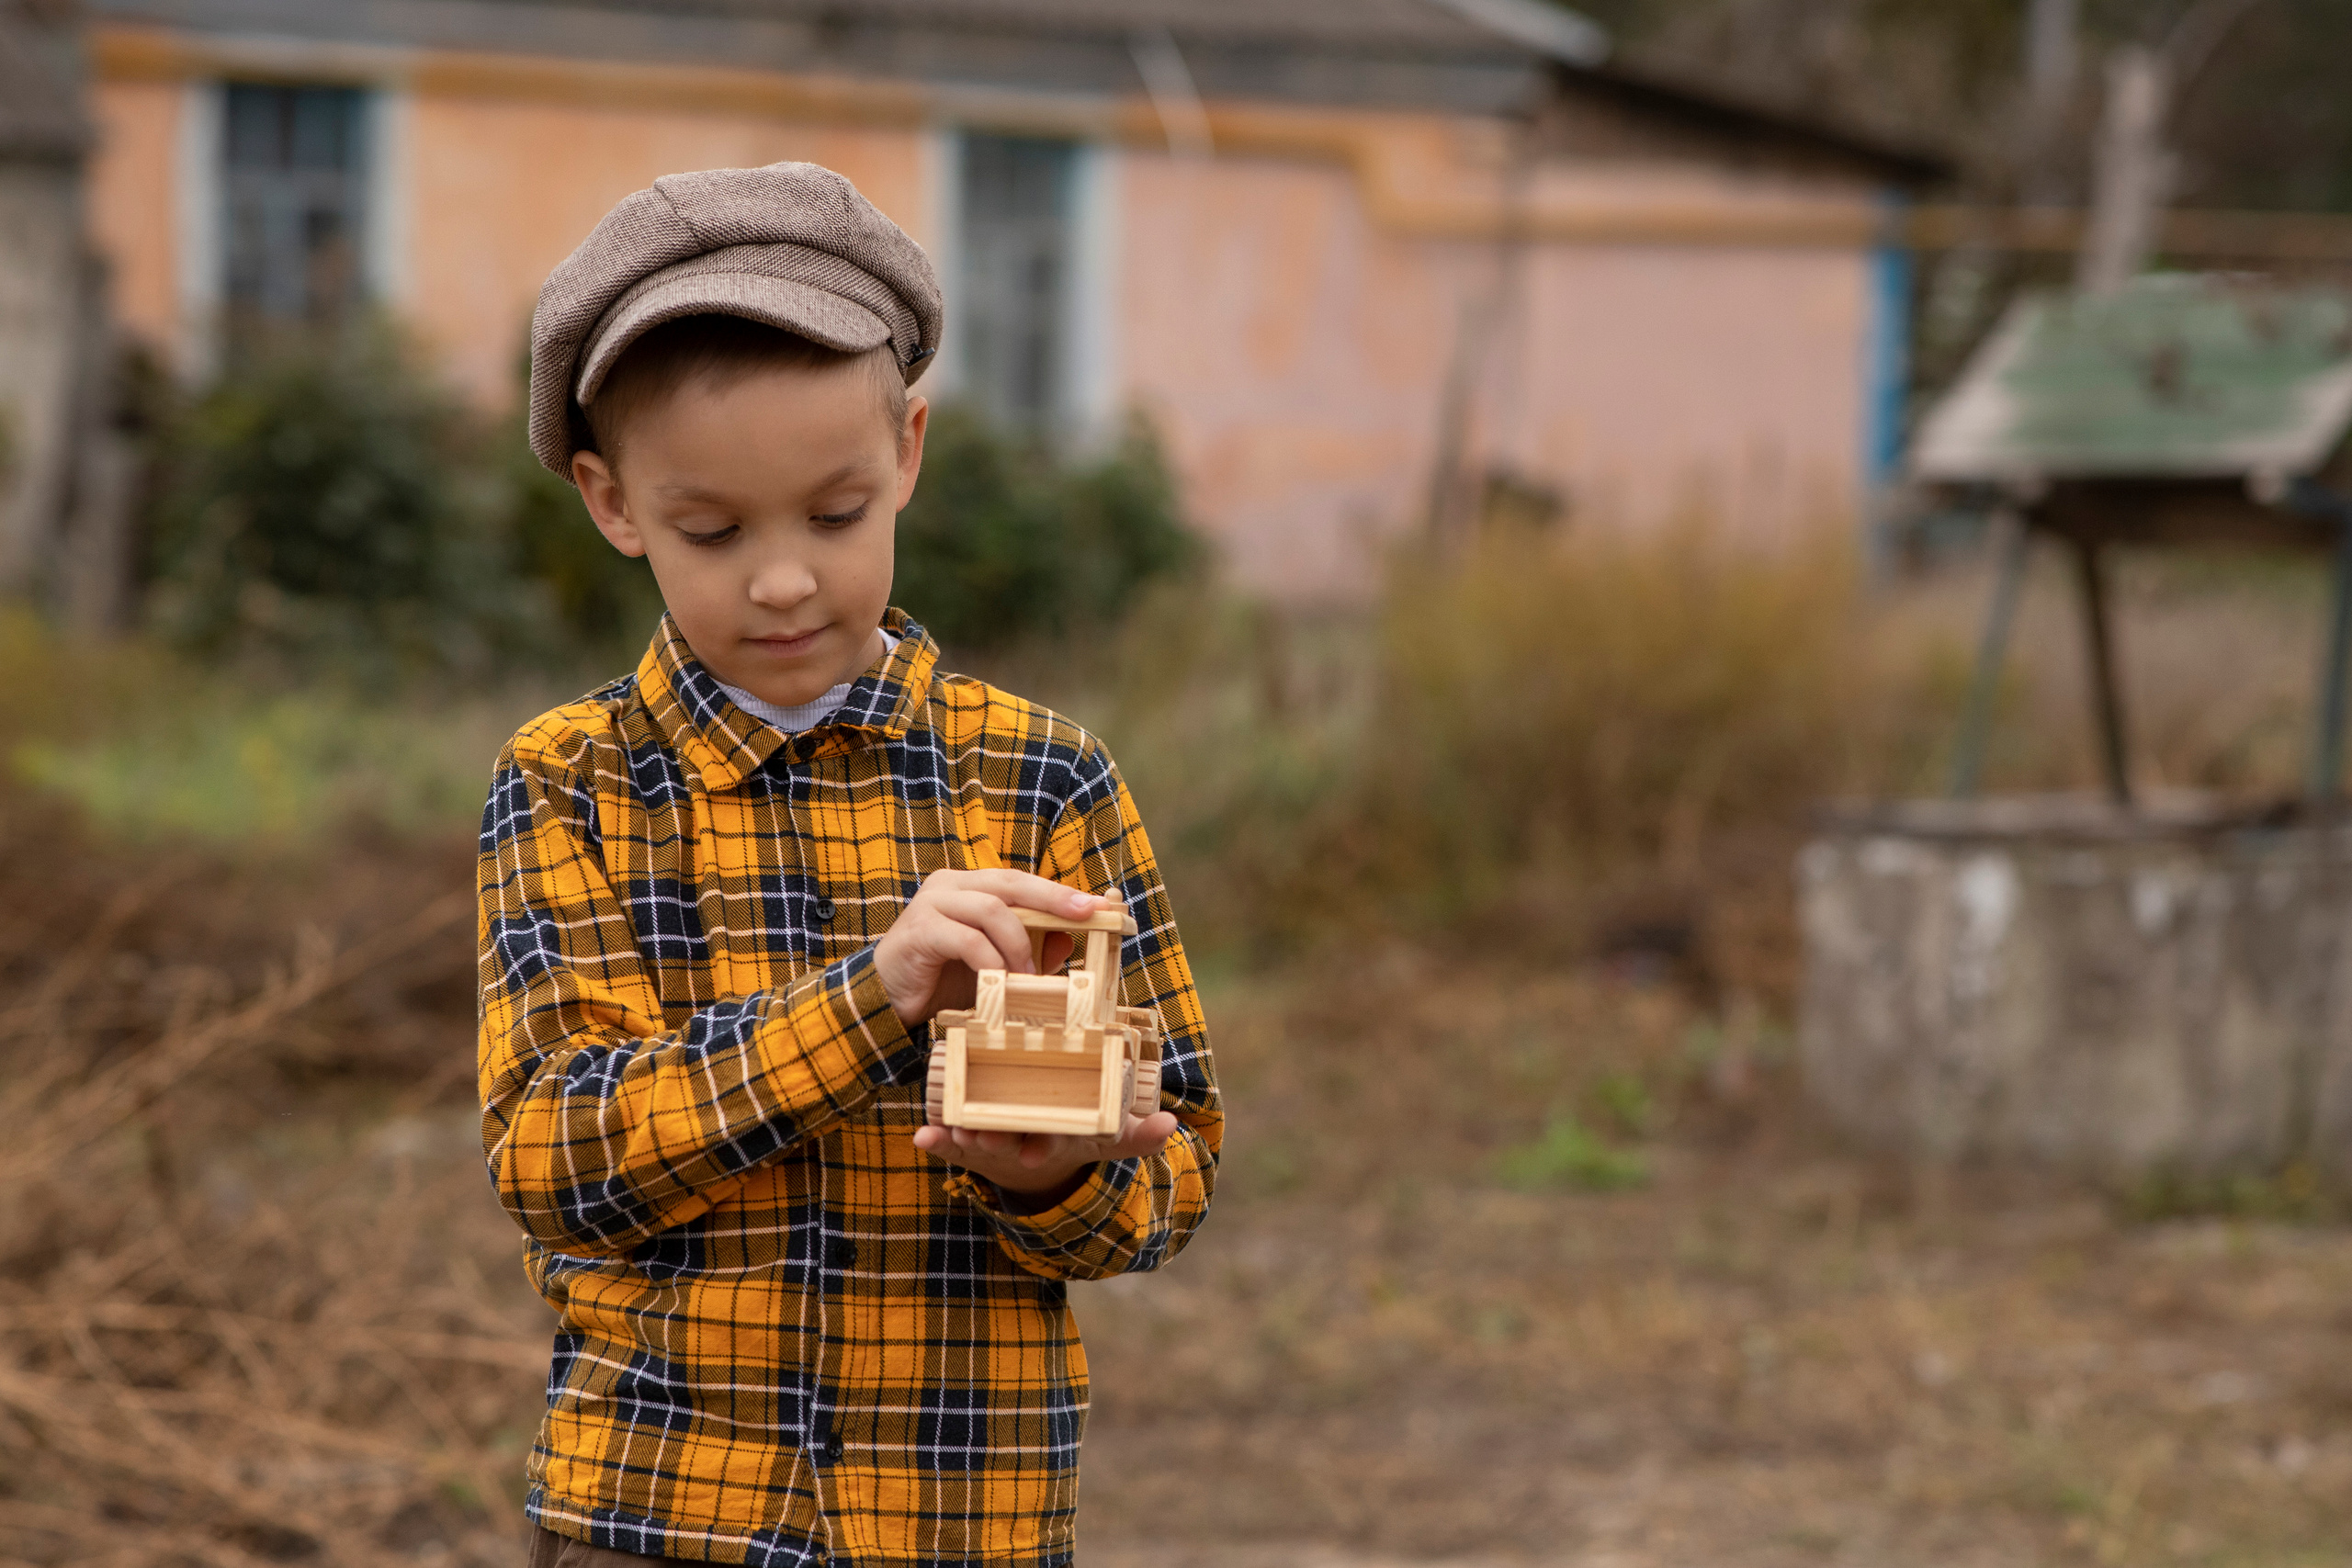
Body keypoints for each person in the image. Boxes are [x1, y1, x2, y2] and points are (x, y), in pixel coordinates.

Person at [477, 161, 1220, 1568]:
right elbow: (555, 1160)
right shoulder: (568, 784)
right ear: (611, 499)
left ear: (911, 457)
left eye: (835, 515)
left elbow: (1173, 1174)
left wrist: (1045, 1177)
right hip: (656, 1514)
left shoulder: (1045, 779)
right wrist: (874, 999)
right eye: (713, 530)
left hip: (961, 1523)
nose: (783, 580)